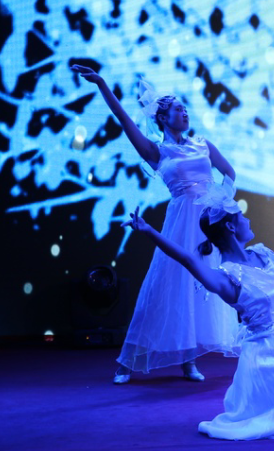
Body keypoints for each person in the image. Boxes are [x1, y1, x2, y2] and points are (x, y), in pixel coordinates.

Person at [122, 187, 274, 440]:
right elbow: (188, 260)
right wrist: (149, 231)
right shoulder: (226, 278)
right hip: (266, 357)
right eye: (242, 217)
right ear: (231, 227)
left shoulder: (264, 255)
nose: (248, 219)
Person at [72, 64, 238, 383]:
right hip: (181, 224)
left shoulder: (203, 144)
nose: (184, 112)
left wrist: (220, 203)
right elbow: (123, 119)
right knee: (165, 288)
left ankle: (188, 360)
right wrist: (102, 84)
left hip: (208, 223)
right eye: (178, 109)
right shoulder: (157, 151)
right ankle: (127, 362)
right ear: (162, 117)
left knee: (198, 289)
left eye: (185, 108)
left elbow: (229, 173)